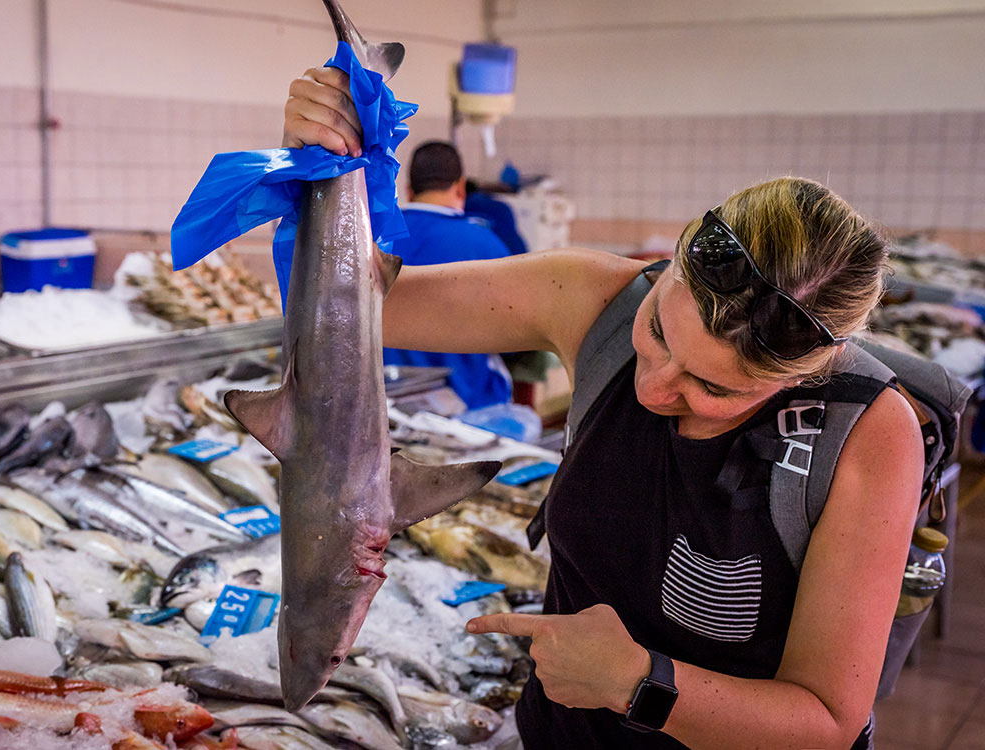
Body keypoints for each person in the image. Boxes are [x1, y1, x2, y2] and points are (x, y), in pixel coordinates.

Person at [284, 66, 923, 749]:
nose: (655, 390)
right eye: (656, 336)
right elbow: (349, 309)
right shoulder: (593, 298)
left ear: (805, 376)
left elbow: (827, 722)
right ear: (667, 266)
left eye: (715, 389)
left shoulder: (868, 435)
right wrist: (326, 166)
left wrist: (640, 685)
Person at [383, 140, 514, 409]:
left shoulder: (377, 240)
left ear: (409, 190)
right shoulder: (485, 244)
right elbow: (515, 336)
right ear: (461, 187)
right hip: (467, 408)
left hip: (385, 406)